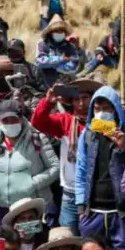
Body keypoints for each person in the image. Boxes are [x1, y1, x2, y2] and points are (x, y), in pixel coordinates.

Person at [0, 99, 60, 228]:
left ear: (21, 117)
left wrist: (34, 183)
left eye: (13, 119)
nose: (9, 123)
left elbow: (55, 167)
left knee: (28, 243)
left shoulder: (36, 138)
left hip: (28, 208)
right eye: (5, 120)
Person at [75, 86, 125, 250]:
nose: (101, 112)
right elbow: (81, 170)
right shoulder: (88, 133)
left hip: (120, 211)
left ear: (115, 109)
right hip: (93, 211)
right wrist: (81, 207)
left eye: (106, 108)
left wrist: (122, 148)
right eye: (97, 108)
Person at [32, 76, 103, 230]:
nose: (81, 103)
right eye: (77, 99)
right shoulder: (66, 121)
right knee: (67, 238)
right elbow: (38, 122)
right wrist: (49, 101)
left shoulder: (103, 123)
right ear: (72, 101)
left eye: (86, 98)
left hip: (96, 192)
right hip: (70, 192)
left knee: (92, 239)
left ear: (93, 100)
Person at [36, 16, 80, 87]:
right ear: (51, 32)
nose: (59, 33)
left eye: (61, 31)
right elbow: (40, 62)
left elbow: (74, 64)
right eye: (56, 31)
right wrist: (60, 59)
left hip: (65, 81)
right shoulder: (42, 44)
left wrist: (52, 65)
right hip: (45, 81)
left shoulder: (70, 46)